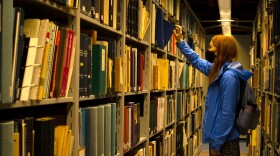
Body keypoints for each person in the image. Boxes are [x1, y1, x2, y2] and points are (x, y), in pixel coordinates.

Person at [173, 26, 252, 156]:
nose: (209, 51)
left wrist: (217, 143)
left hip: (224, 140)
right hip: (218, 137)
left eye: (212, 47)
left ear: (221, 51)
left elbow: (227, 113)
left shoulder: (228, 77)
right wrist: (180, 41)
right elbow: (197, 60)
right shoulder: (219, 71)